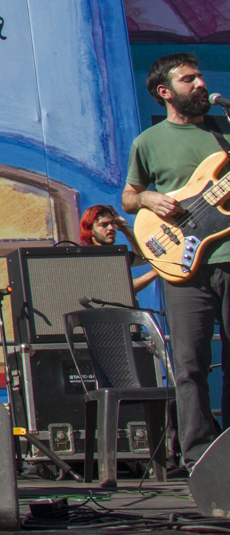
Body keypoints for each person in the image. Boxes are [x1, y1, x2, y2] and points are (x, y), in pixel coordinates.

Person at [123, 52, 230, 467]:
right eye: (189, 79)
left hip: (227, 256)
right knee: (189, 364)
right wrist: (148, 198)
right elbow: (130, 197)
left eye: (200, 76)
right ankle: (200, 457)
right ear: (164, 92)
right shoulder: (148, 142)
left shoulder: (222, 131)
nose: (200, 83)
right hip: (183, 266)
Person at [78, 204, 158, 293]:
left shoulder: (114, 254)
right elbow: (122, 288)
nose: (111, 228)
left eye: (112, 223)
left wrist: (126, 230)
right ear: (90, 230)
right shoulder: (90, 258)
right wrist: (157, 271)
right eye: (104, 225)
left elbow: (142, 259)